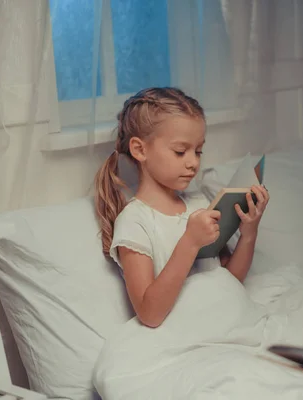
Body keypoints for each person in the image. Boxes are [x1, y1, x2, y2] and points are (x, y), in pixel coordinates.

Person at [93, 87, 269, 328]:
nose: (193, 162)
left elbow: (231, 280)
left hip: (224, 320)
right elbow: (149, 314)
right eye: (180, 151)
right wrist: (189, 242)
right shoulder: (134, 222)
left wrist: (249, 233)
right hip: (182, 333)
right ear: (140, 149)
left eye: (198, 151)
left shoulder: (197, 203)